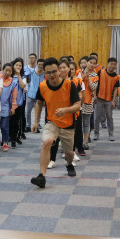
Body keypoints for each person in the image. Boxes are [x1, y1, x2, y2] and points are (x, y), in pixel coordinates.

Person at [30, 58, 81, 188]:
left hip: (68, 124)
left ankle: (69, 164)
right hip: (51, 121)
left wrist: (65, 110)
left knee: (69, 153)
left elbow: (77, 105)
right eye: (48, 72)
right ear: (44, 73)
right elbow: (39, 103)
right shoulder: (42, 86)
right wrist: (35, 122)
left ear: (59, 71)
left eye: (54, 71)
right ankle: (41, 176)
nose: (51, 75)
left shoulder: (69, 85)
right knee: (46, 142)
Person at [93, 58, 120, 141]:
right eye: (111, 64)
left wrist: (113, 101)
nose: (113, 66)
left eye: (115, 64)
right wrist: (94, 96)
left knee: (109, 117)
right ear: (107, 64)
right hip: (99, 98)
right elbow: (95, 84)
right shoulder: (100, 72)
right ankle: (96, 134)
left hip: (109, 100)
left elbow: (116, 89)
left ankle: (111, 134)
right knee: (97, 118)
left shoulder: (116, 76)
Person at [0, 63, 18, 150]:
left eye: (9, 71)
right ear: (2, 70)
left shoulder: (13, 82)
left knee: (5, 126)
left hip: (6, 107)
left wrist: (13, 107)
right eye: (6, 70)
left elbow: (14, 96)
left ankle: (5, 142)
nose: (7, 72)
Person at [10, 58, 28, 145]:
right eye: (16, 65)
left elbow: (22, 86)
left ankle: (14, 138)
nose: (18, 67)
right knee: (9, 121)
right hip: (9, 102)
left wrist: (18, 75)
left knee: (16, 121)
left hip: (19, 101)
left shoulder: (23, 76)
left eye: (20, 65)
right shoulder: (9, 75)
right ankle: (10, 137)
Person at [25, 58, 45, 132]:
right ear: (37, 64)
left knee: (38, 111)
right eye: (39, 64)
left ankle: (37, 125)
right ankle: (28, 125)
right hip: (30, 94)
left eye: (42, 65)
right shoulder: (32, 72)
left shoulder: (45, 74)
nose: (40, 66)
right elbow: (27, 79)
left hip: (40, 96)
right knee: (28, 111)